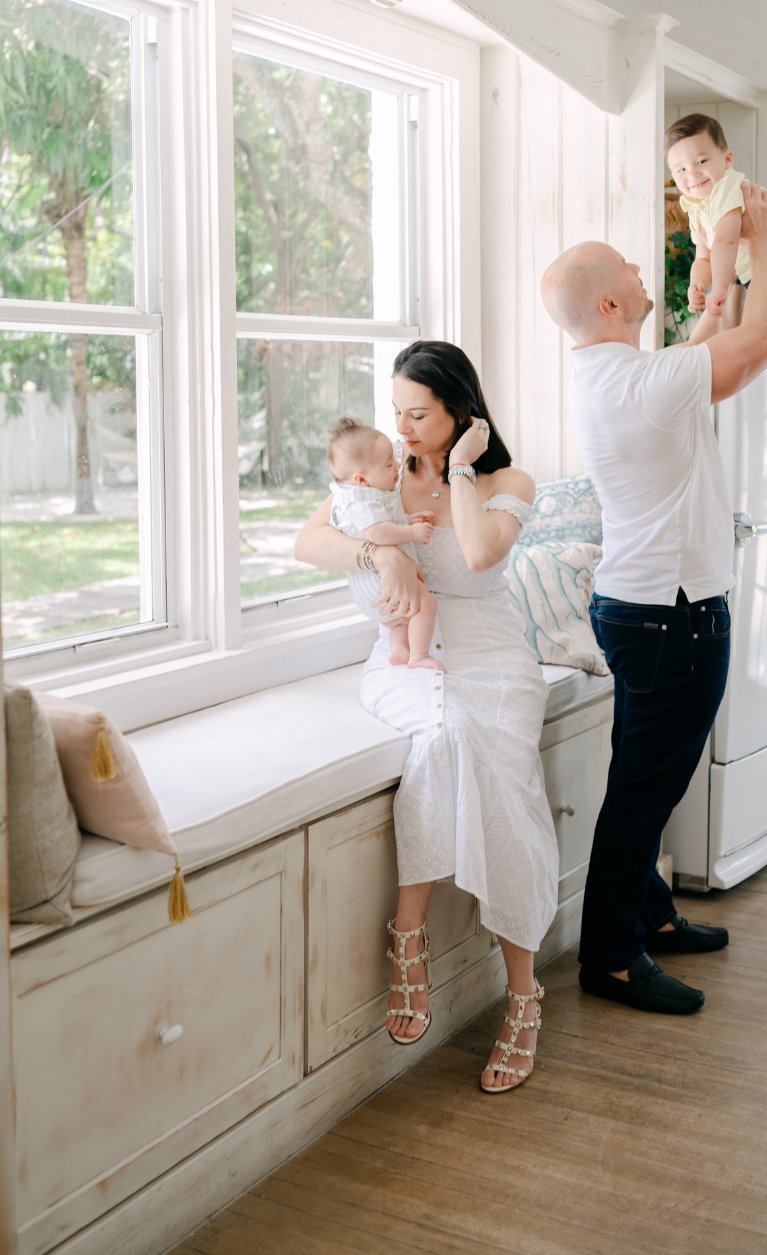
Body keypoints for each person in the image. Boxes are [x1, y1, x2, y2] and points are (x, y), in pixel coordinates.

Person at [538, 180, 767, 1015]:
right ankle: (611, 958)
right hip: (668, 618)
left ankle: (646, 914)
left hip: (643, 608)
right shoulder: (642, 384)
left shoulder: (619, 374)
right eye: (630, 267)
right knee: (645, 790)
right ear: (610, 301)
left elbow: (705, 347)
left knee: (644, 779)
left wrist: (717, 283)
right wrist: (764, 243)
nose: (647, 267)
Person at [293, 342, 556, 1094]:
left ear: (460, 411)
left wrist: (463, 471)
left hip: (492, 654)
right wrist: (385, 558)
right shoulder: (380, 476)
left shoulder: (507, 478)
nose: (401, 429)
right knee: (442, 734)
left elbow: (476, 555)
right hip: (406, 653)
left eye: (419, 414)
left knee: (490, 763)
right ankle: (408, 939)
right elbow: (311, 539)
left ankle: (523, 997)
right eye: (396, 411)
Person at [669, 113, 767, 462]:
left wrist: (719, 290)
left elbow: (726, 241)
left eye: (700, 161)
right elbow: (706, 254)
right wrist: (700, 281)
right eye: (679, 169)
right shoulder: (697, 206)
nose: (690, 174)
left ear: (727, 159)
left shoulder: (727, 189)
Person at [324, 418, 442, 672]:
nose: (398, 465)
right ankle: (419, 656)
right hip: (377, 583)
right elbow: (378, 532)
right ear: (361, 479)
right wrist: (411, 532)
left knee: (400, 622)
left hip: (371, 589)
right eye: (389, 464)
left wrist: (407, 519)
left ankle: (400, 650)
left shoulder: (359, 492)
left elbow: (382, 523)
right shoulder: (360, 499)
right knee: (426, 605)